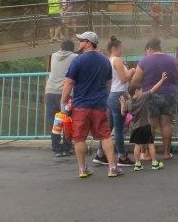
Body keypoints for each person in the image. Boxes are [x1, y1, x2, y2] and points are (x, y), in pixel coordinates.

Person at [60, 31, 122, 178]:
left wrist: (63, 100)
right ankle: (113, 167)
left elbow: (69, 82)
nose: (79, 42)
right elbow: (108, 83)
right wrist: (104, 97)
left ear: (88, 43)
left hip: (80, 105)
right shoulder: (105, 60)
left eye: (81, 40)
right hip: (99, 104)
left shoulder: (78, 60)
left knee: (79, 137)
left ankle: (82, 168)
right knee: (105, 135)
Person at [130, 38, 178, 160]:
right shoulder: (172, 59)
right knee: (166, 125)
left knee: (151, 126)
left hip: (150, 96)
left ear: (149, 49)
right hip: (170, 94)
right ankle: (166, 153)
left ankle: (148, 154)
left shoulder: (144, 61)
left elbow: (135, 80)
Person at [93, 36, 133, 167]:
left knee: (107, 127)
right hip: (119, 95)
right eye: (121, 48)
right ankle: (122, 156)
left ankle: (100, 154)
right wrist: (132, 71)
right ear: (114, 48)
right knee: (119, 129)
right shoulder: (117, 60)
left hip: (111, 95)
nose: (122, 50)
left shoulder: (108, 60)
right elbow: (123, 79)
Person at [123, 72, 169, 170]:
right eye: (141, 90)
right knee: (150, 144)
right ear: (136, 91)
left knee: (137, 145)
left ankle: (137, 164)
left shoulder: (128, 103)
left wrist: (122, 103)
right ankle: (154, 162)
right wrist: (161, 80)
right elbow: (153, 89)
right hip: (145, 125)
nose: (142, 91)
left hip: (135, 127)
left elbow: (123, 113)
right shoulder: (143, 98)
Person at [46, 40, 76, 157]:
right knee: (67, 121)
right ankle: (67, 147)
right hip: (65, 93)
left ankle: (56, 148)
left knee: (54, 122)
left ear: (61, 47)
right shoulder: (74, 57)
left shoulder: (54, 56)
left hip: (50, 91)